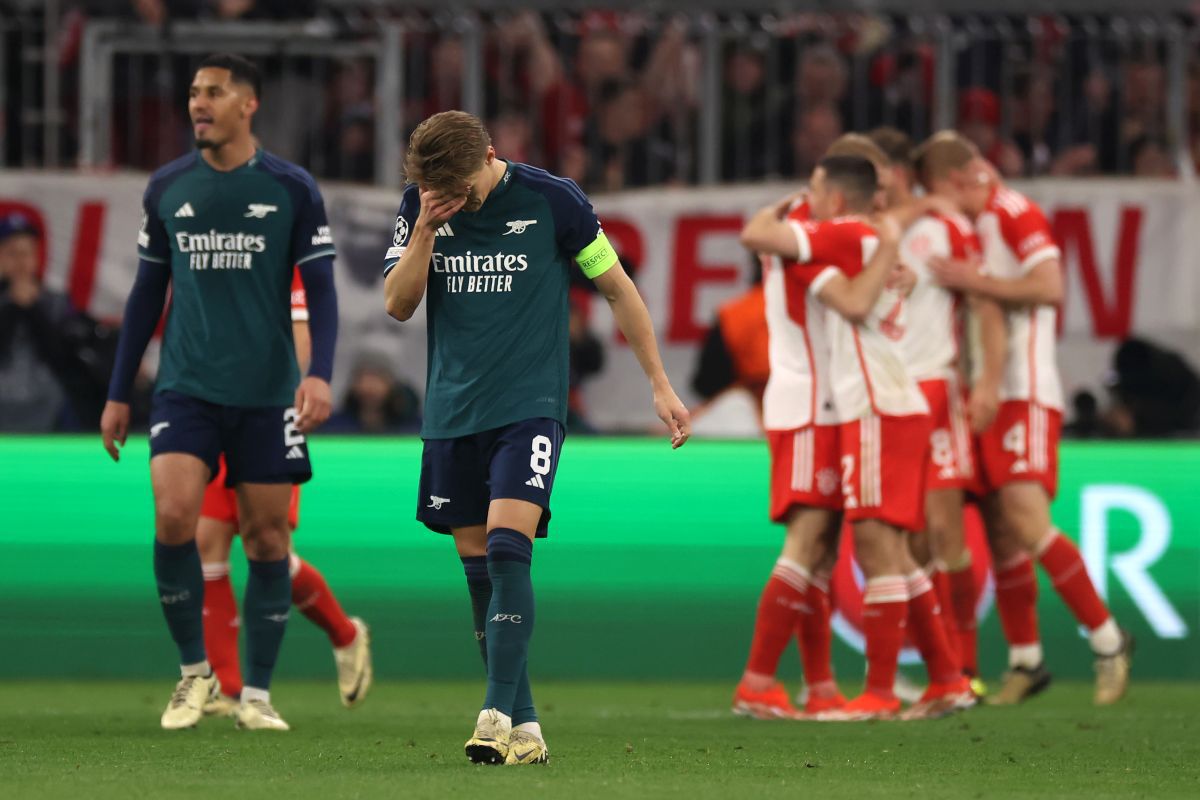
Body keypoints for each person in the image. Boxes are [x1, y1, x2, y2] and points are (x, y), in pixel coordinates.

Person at [383, 110, 690, 764]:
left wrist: (659, 384)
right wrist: (426, 234)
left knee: (505, 549)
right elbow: (397, 304)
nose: (452, 198)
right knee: (478, 577)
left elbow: (616, 288)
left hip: (529, 405)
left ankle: (493, 712)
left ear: (489, 154)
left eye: (460, 187)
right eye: (440, 190)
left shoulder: (555, 200)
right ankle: (526, 727)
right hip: (451, 411)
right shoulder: (421, 205)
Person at [100, 53, 339, 731]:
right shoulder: (168, 187)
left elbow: (320, 289)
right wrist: (120, 392)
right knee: (174, 517)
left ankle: (256, 695)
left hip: (268, 395)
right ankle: (193, 674)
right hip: (186, 389)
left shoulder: (292, 188)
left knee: (266, 541)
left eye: (213, 93)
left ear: (248, 104)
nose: (198, 104)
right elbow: (148, 293)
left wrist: (318, 371)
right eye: (193, 93)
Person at [742, 155, 970, 721]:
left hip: (866, 406)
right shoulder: (873, 243)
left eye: (816, 187)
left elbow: (769, 242)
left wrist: (781, 215)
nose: (810, 197)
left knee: (863, 549)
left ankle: (872, 690)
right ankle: (943, 678)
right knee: (871, 547)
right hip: (873, 402)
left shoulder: (842, 237)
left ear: (837, 198)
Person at [927, 132, 1133, 706]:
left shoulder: (1014, 213)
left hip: (1025, 388)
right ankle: (1027, 661)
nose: (943, 208)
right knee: (1002, 529)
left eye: (941, 193)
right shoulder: (978, 223)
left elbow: (1051, 285)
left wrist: (976, 282)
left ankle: (1109, 638)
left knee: (1027, 517)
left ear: (961, 179)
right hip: (991, 390)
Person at [729, 133, 898, 720]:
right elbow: (852, 297)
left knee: (819, 551)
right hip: (811, 404)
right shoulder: (813, 231)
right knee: (806, 543)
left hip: (814, 402)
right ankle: (757, 680)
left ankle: (820, 685)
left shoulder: (799, 227)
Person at [199, 269, 371, 715]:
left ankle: (345, 634)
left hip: (266, 410)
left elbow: (300, 337)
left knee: (268, 544)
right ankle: (229, 687)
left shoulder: (279, 247)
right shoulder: (204, 241)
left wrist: (278, 395)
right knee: (207, 541)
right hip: (212, 407)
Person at [876, 127, 1007, 687]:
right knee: (908, 539)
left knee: (944, 530)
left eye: (880, 175)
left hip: (935, 388)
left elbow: (982, 304)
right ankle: (935, 666)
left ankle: (966, 666)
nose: (874, 187)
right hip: (884, 394)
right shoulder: (873, 231)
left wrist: (988, 382)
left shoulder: (945, 227)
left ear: (901, 172)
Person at [0, 214, 110, 431]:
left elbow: (63, 359)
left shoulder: (58, 302)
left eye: (27, 252)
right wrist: (12, 306)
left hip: (48, 409)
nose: (21, 260)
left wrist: (32, 309)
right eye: (12, 253)